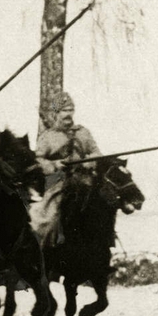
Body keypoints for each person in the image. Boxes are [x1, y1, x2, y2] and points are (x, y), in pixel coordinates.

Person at [29, 92, 102, 248]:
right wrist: (55, 165)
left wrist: (90, 163)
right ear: (56, 113)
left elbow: (96, 152)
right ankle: (46, 252)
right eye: (64, 110)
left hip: (85, 181)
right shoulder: (47, 137)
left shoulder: (83, 133)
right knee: (51, 219)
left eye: (70, 109)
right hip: (59, 185)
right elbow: (38, 160)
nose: (68, 114)